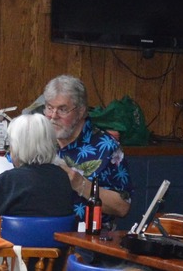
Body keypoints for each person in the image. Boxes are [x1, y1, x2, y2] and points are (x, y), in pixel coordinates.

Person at [39, 74, 131, 219]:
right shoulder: (38, 139)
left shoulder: (107, 147)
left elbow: (122, 207)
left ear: (81, 111)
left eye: (62, 109)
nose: (53, 116)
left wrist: (80, 184)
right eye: (49, 108)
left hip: (88, 237)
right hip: (40, 231)